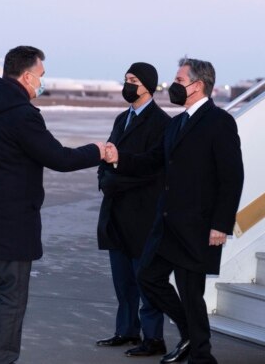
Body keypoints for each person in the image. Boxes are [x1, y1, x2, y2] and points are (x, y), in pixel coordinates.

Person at [0, 45, 107, 364]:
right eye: (41, 75)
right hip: (12, 231)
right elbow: (58, 157)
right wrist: (97, 150)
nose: (42, 82)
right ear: (27, 76)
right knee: (9, 305)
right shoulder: (21, 115)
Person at [103, 58, 244, 364]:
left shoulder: (219, 122)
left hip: (197, 226)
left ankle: (201, 355)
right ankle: (191, 334)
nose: (175, 85)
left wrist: (221, 223)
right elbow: (153, 161)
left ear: (199, 85)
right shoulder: (177, 123)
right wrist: (119, 158)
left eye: (180, 80)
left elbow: (232, 177)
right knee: (148, 278)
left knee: (191, 294)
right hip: (168, 225)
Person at [95, 62, 170, 357]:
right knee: (123, 279)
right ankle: (126, 330)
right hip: (115, 211)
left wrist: (116, 175)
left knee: (146, 279)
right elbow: (108, 155)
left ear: (148, 86)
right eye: (126, 79)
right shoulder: (120, 118)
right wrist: (104, 179)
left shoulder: (161, 123)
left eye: (133, 80)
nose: (127, 84)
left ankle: (153, 338)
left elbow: (153, 166)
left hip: (142, 213)